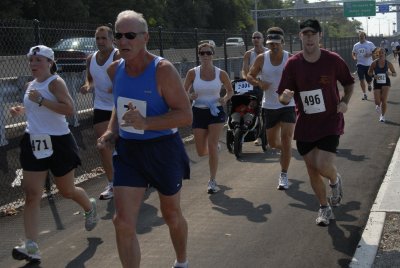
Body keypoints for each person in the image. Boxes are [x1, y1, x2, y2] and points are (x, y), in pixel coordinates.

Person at [97, 10, 192, 268]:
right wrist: (111, 131)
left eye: (130, 35)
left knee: (171, 214)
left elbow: (185, 115)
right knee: (122, 222)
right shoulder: (115, 70)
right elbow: (120, 105)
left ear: (145, 37)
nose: (123, 41)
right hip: (129, 151)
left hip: (163, 149)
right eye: (119, 35)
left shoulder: (163, 70)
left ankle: (182, 262)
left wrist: (148, 123)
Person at [10, 45, 98, 263]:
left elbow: (68, 109)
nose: (33, 64)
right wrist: (20, 110)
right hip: (34, 141)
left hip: (58, 142)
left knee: (66, 190)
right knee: (32, 194)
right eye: (31, 60)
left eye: (38, 60)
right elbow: (35, 108)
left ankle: (89, 206)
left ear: (50, 62)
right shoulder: (31, 85)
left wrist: (41, 100)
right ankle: (31, 246)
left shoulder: (55, 82)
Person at [277, 19, 355, 226]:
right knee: (312, 169)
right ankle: (324, 207)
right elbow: (282, 96)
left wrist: (345, 102)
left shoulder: (333, 60)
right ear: (300, 37)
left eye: (313, 33)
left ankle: (335, 180)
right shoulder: (293, 64)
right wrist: (284, 97)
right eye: (305, 34)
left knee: (322, 165)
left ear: (320, 36)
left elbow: (348, 83)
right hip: (305, 124)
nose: (309, 37)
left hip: (330, 121)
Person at [247, 27, 296, 190]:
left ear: (282, 42)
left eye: (276, 43)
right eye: (270, 44)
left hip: (288, 104)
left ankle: (284, 174)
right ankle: (285, 152)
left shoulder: (290, 58)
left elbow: (300, 77)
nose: (273, 46)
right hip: (269, 106)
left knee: (287, 139)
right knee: (273, 143)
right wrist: (260, 83)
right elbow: (250, 75)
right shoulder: (262, 58)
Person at [184, 42, 233, 194]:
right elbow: (183, 91)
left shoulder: (221, 73)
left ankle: (212, 180)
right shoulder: (193, 73)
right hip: (198, 111)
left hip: (215, 111)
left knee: (211, 145)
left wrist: (224, 99)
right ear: (199, 55)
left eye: (208, 53)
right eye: (202, 53)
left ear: (213, 55)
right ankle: (215, 149)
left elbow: (230, 91)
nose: (205, 56)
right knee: (200, 151)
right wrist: (190, 96)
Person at [80, 25, 120, 200]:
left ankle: (139, 176)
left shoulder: (117, 56)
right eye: (98, 38)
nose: (101, 42)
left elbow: (129, 75)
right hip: (102, 106)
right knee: (103, 145)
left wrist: (116, 86)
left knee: (126, 146)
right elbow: (91, 79)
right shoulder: (91, 58)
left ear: (112, 40)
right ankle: (112, 184)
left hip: (120, 106)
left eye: (104, 38)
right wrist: (87, 87)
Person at [241, 31, 267, 146]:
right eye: (254, 37)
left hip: (265, 84)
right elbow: (244, 70)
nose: (256, 39)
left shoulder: (268, 52)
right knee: (252, 109)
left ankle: (262, 136)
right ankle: (244, 131)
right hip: (252, 84)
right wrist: (246, 78)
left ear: (263, 39)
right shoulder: (248, 54)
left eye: (258, 37)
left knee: (265, 112)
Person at [368, 47, 397, 123]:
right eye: (379, 53)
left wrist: (390, 73)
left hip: (386, 83)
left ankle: (382, 116)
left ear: (385, 53)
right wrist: (374, 76)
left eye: (382, 53)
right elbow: (369, 72)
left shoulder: (388, 63)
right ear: (377, 54)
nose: (381, 54)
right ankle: (378, 105)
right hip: (377, 82)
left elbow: (395, 74)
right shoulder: (374, 63)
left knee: (384, 100)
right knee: (377, 101)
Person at [352, 31, 375, 100]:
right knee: (361, 79)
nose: (361, 37)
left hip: (368, 64)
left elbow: (375, 51)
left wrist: (369, 54)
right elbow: (353, 53)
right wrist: (354, 57)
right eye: (360, 36)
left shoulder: (370, 44)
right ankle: (364, 94)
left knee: (369, 79)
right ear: (359, 37)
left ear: (365, 36)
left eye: (362, 36)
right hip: (360, 64)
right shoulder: (356, 45)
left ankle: (369, 84)